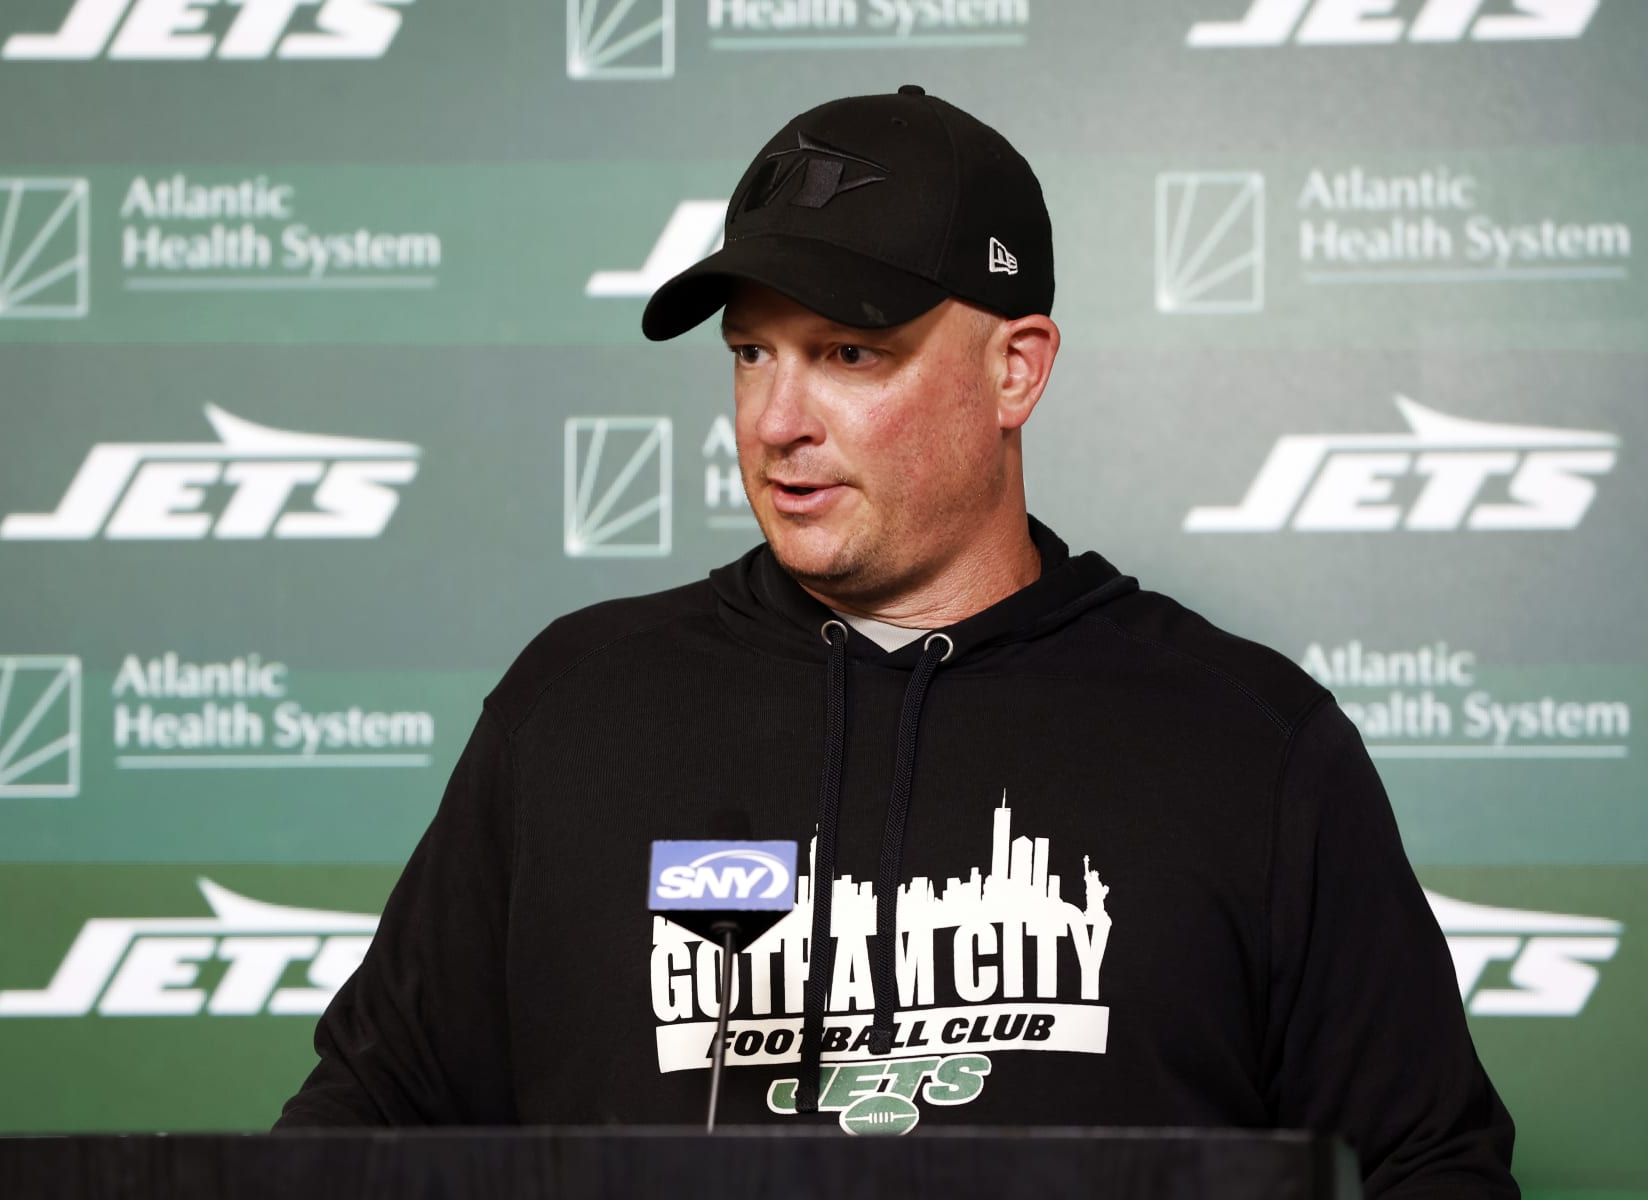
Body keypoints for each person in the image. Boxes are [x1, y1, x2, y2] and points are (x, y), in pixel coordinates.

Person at [277, 86, 1517, 1196]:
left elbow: (1427, 1169)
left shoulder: (1248, 742)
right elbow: (364, 1126)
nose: (775, 420)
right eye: (751, 354)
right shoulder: (577, 707)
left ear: (1016, 370)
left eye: (847, 354)